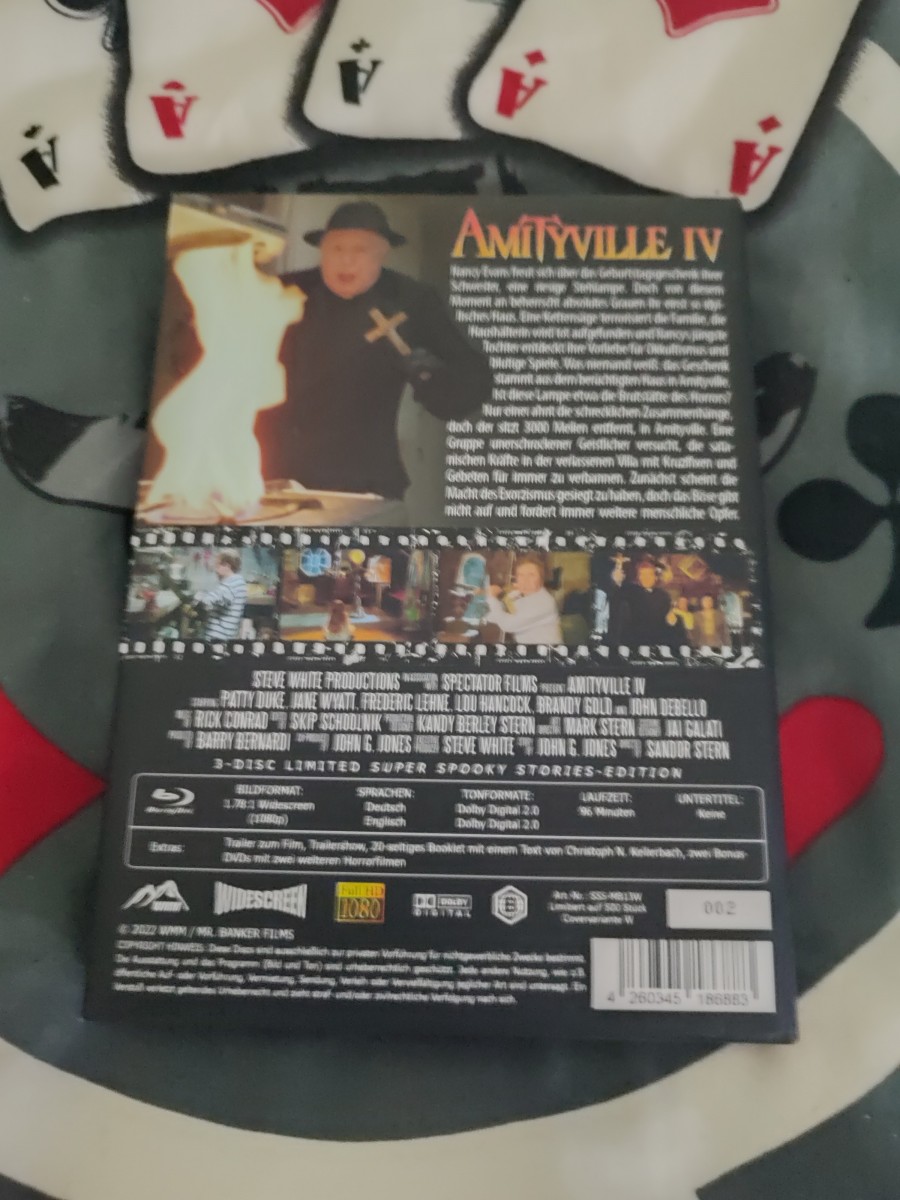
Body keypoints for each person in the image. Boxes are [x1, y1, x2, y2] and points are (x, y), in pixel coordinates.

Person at [261, 200, 492, 505]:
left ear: (382, 254)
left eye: (360, 250)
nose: (346, 261)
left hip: (366, 475)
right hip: (275, 470)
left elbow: (472, 378)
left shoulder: (411, 300)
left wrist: (431, 374)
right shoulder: (284, 291)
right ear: (322, 251)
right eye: (336, 248)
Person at [483, 555, 562, 645]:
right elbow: (496, 616)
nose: (525, 580)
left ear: (541, 579)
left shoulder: (543, 602)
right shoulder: (523, 596)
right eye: (521, 575)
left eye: (531, 575)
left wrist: (491, 597)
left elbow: (508, 625)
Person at [609, 555, 674, 645]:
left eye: (649, 574)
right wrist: (616, 582)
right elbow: (616, 597)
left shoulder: (664, 596)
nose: (646, 578)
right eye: (642, 575)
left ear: (655, 577)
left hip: (657, 641)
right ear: (638, 577)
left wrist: (671, 621)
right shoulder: (631, 590)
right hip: (634, 641)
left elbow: (668, 622)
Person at [196, 550, 247, 640]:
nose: (215, 570)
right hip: (227, 634)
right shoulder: (239, 582)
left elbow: (215, 597)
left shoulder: (231, 583)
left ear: (227, 565)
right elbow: (223, 601)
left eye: (217, 565)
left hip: (218, 635)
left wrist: (200, 597)